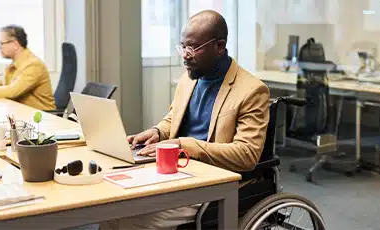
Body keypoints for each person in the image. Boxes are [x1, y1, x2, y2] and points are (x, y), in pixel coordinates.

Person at [101, 10, 270, 230]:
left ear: (219, 46)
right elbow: (174, 119)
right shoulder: (189, 79)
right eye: (183, 47)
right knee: (113, 207)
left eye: (193, 48)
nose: (185, 55)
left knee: (133, 222)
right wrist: (158, 132)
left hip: (212, 182)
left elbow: (246, 155)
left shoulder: (252, 90)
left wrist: (184, 146)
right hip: (178, 173)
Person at [0, 25, 56, 111]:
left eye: (2, 43)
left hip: (43, 118)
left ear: (15, 44)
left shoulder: (34, 65)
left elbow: (12, 91)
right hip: (25, 115)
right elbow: (3, 84)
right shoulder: (15, 64)